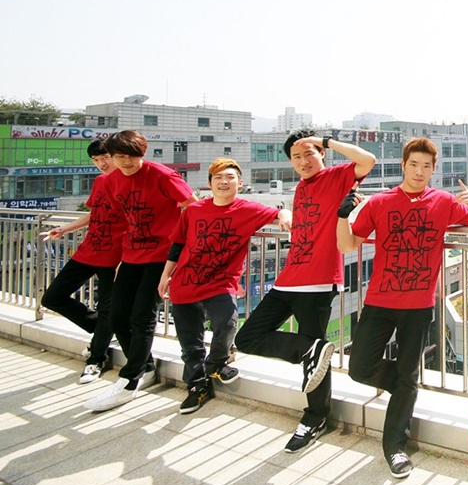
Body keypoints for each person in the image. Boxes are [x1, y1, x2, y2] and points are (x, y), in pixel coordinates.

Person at [336, 137, 468, 478]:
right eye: (414, 165)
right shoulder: (380, 202)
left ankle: (395, 447)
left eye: (426, 166)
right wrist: (343, 215)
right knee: (359, 368)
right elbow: (347, 244)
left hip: (419, 306)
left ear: (433, 170)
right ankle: (406, 387)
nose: (419, 172)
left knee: (407, 376)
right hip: (379, 301)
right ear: (403, 166)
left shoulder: (443, 201)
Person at [234, 129, 375, 452]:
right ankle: (311, 350)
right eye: (296, 157)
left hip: (319, 280)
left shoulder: (337, 176)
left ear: (321, 154)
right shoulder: (300, 187)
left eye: (309, 153)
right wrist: (284, 213)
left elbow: (367, 160)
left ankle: (315, 417)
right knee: (247, 338)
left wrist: (324, 140)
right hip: (288, 278)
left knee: (315, 358)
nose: (303, 161)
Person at [158, 158, 291, 414]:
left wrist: (285, 215)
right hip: (185, 282)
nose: (224, 182)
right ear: (209, 184)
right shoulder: (194, 210)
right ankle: (197, 386)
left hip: (220, 283)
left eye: (230, 177)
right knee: (190, 342)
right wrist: (166, 275)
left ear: (240, 183)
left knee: (227, 323)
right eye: (218, 177)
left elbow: (277, 214)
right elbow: (178, 245)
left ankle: (216, 363)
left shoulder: (248, 209)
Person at [84, 130, 198, 412]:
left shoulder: (162, 175)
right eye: (120, 157)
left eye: (132, 156)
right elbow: (123, 219)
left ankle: (129, 380)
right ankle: (145, 367)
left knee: (143, 316)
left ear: (142, 154)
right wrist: (116, 257)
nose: (127, 162)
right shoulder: (112, 180)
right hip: (130, 255)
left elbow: (192, 206)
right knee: (117, 316)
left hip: (162, 256)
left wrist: (179, 250)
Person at [40, 139, 127, 384]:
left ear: (116, 156)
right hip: (89, 249)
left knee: (107, 308)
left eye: (105, 158)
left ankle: (96, 359)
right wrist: (64, 228)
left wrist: (128, 258)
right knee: (52, 297)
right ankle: (104, 328)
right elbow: (94, 213)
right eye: (96, 160)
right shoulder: (100, 181)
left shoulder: (131, 183)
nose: (101, 164)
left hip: (115, 255)